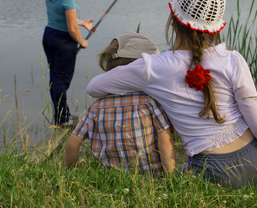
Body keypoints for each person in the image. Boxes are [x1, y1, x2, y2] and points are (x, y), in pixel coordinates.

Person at [86, 0, 257, 188]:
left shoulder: (151, 67)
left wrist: (143, 86)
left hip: (214, 172)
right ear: (215, 27)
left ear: (173, 18)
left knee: (182, 180)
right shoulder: (233, 60)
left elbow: (94, 87)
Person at [65, 33, 176, 177]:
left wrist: (72, 174)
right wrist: (171, 179)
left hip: (109, 180)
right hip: (151, 178)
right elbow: (165, 142)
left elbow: (72, 143)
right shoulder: (150, 103)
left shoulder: (96, 108)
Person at [42, 0, 94, 125]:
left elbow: (62, 16)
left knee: (55, 78)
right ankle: (63, 118)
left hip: (49, 35)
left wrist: (82, 22)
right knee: (62, 80)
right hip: (63, 41)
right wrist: (82, 42)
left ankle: (60, 116)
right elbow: (71, 29)